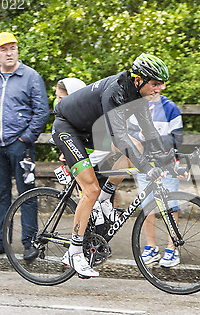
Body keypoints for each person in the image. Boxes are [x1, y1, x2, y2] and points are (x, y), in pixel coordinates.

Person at [51, 53, 172, 277]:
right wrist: (147, 168)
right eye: (155, 84)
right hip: (69, 128)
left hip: (92, 131)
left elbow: (149, 132)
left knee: (138, 146)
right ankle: (74, 252)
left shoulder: (139, 97)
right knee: (90, 190)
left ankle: (106, 199)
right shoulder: (116, 91)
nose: (159, 90)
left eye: (161, 85)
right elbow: (119, 137)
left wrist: (168, 160)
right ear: (139, 80)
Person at [0, 32, 49, 260]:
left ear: (17, 51)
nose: (9, 53)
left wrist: (25, 138)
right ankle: (0, 242)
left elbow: (42, 111)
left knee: (27, 193)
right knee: (1, 195)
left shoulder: (31, 76)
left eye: (13, 48)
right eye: (4, 49)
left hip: (21, 146)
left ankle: (30, 243)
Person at [128, 91, 183, 268]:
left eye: (158, 85)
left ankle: (172, 248)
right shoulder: (136, 107)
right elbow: (130, 133)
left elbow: (177, 139)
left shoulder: (170, 108)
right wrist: (140, 137)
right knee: (147, 206)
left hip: (166, 165)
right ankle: (151, 247)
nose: (154, 90)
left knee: (171, 205)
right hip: (145, 164)